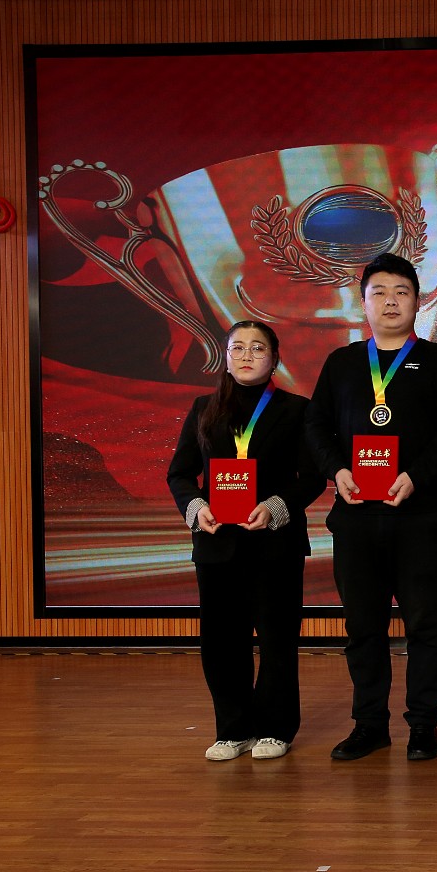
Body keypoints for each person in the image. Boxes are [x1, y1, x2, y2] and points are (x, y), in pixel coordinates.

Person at [304, 253, 437, 762]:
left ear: (418, 302)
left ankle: (423, 725)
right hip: (356, 517)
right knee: (363, 628)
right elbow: (315, 426)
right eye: (379, 292)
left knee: (424, 625)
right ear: (363, 303)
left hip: (418, 517)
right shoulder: (342, 363)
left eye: (402, 292)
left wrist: (416, 476)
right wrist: (337, 470)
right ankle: (369, 724)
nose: (391, 301)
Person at [167, 320, 325, 761]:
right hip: (217, 543)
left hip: (274, 543)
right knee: (221, 641)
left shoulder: (296, 409)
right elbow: (180, 474)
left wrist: (276, 506)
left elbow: (312, 476)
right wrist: (196, 507)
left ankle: (275, 728)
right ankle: (232, 729)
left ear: (274, 359)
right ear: (225, 356)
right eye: (238, 347)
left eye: (258, 348)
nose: (247, 355)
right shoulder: (203, 408)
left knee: (277, 640)